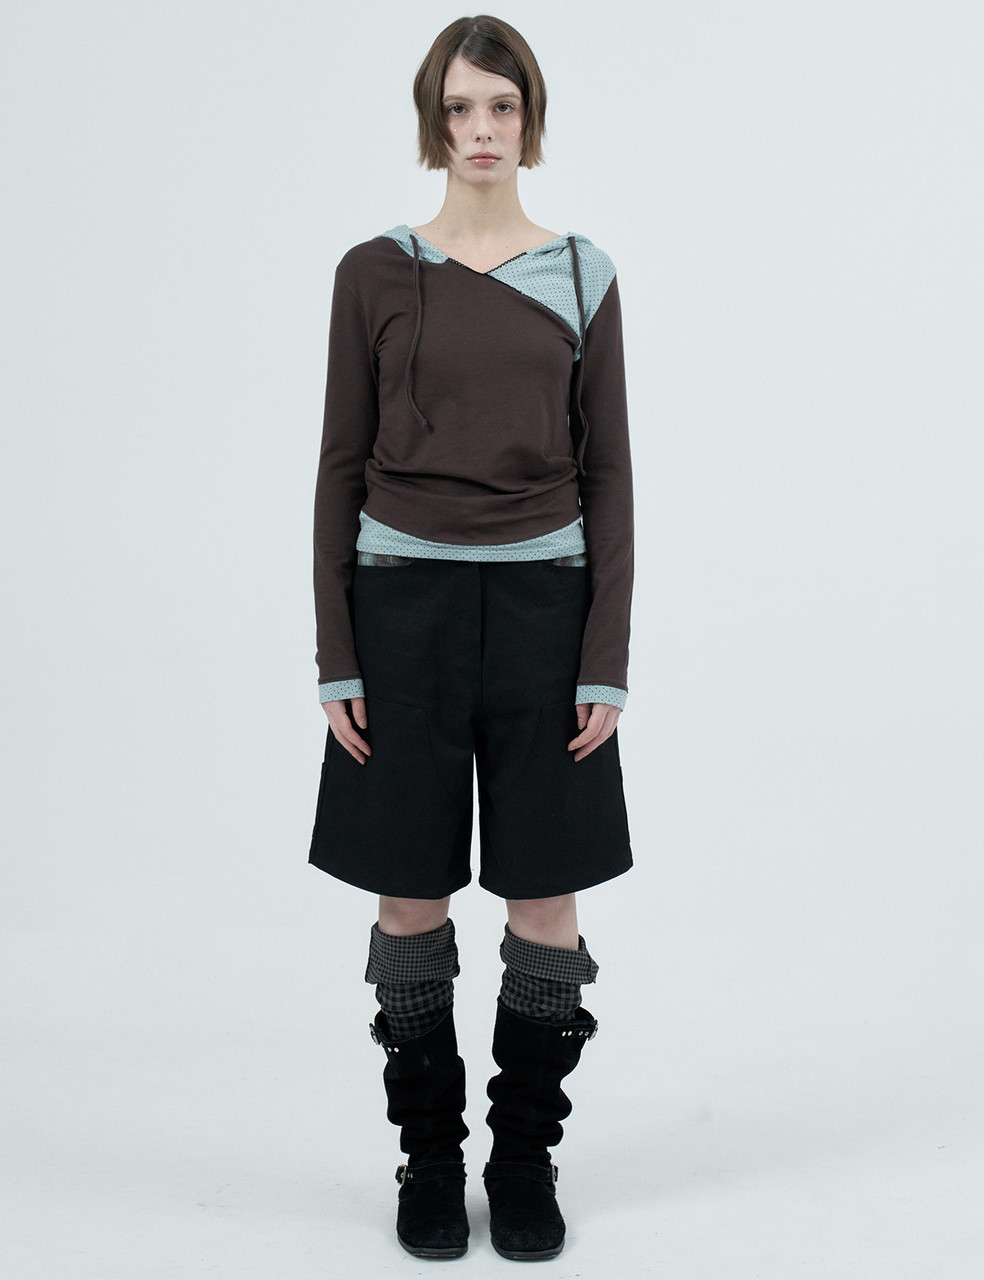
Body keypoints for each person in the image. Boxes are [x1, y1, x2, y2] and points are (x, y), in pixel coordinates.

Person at [308, 13, 634, 1263]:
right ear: (431, 121)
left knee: (545, 896)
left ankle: (524, 1156)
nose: (481, 129)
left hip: (549, 614)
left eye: (501, 106)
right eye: (459, 107)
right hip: (401, 611)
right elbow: (339, 464)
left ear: (529, 118)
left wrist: (605, 657)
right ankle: (432, 1156)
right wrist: (337, 652)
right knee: (410, 895)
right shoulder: (371, 272)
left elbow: (609, 473)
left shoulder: (583, 275)